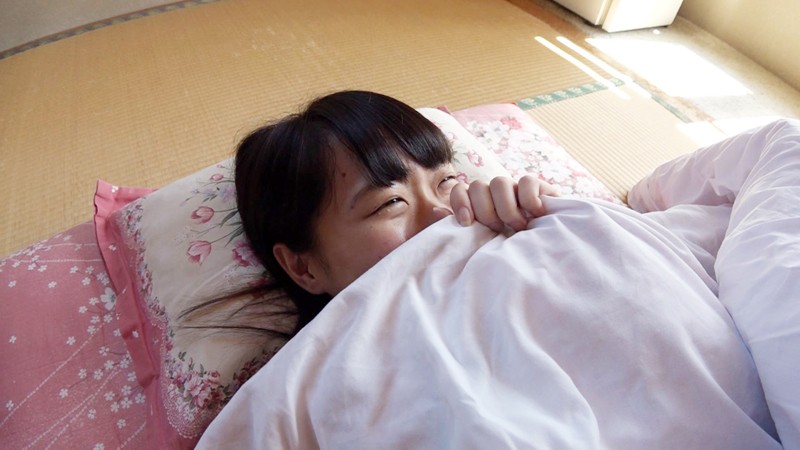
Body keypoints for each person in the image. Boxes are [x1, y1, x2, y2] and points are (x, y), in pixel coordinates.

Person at [232, 90, 558, 334]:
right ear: (304, 267)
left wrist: (547, 228)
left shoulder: (522, 250)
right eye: (390, 202)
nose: (442, 214)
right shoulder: (312, 392)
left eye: (445, 180)